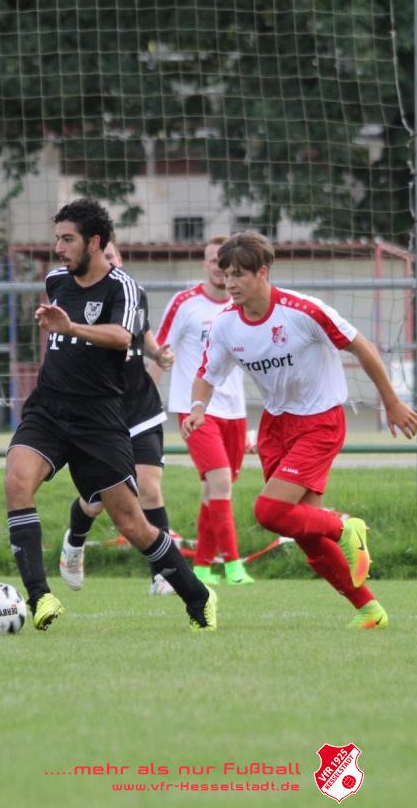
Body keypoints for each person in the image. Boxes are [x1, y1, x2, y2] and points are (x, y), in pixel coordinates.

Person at [182, 232, 417, 629]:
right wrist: (197, 409)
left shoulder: (302, 310)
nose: (229, 283)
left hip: (320, 422)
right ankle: (369, 610)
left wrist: (392, 402)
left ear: (263, 272)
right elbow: (207, 373)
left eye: (239, 274)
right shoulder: (225, 325)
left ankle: (346, 527)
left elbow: (361, 346)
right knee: (308, 534)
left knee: (270, 511)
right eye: (226, 275)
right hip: (276, 426)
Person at [4, 198, 216, 631]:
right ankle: (40, 597)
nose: (59, 248)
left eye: (68, 239)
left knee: (133, 524)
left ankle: (198, 596)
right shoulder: (56, 280)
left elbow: (122, 337)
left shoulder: (124, 287)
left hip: (98, 418)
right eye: (58, 238)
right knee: (16, 481)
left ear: (94, 242)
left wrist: (71, 328)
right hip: (48, 409)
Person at [57, 239, 182, 595]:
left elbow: (143, 335)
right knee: (97, 502)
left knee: (150, 487)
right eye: (102, 258)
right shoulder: (78, 297)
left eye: (111, 257)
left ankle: (163, 574)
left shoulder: (132, 293)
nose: (107, 264)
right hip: (100, 415)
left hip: (139, 407)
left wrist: (158, 354)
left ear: (119, 259)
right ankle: (74, 543)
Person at [155, 235, 254, 588]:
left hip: (235, 413)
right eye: (214, 261)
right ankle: (233, 567)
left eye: (227, 264)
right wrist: (143, 404)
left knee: (213, 491)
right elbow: (159, 352)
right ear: (205, 264)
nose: (220, 269)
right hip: (194, 410)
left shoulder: (243, 307)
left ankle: (200, 568)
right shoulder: (186, 304)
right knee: (220, 482)